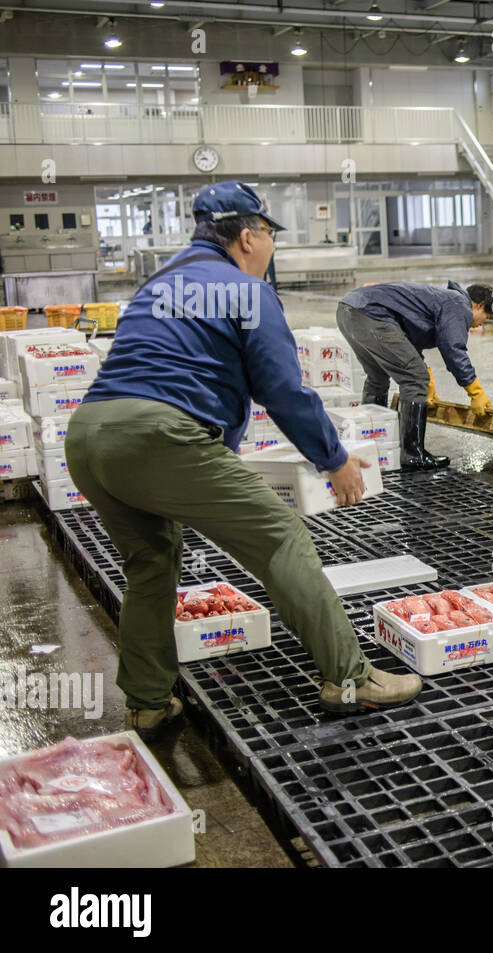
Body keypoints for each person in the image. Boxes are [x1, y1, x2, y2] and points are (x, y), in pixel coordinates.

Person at [65, 181, 422, 737]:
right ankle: (349, 679)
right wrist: (334, 459)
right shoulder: (246, 292)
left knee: (151, 563)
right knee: (281, 538)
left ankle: (148, 702)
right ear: (249, 236)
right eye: (271, 236)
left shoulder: (157, 285)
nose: (272, 249)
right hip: (159, 437)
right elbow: (283, 391)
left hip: (88, 436)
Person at [336, 280, 493, 471]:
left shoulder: (442, 299)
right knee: (414, 378)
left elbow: (406, 341)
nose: (480, 325)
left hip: (349, 310)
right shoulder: (459, 305)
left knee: (378, 376)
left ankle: (373, 442)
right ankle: (413, 454)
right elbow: (453, 350)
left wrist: (427, 383)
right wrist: (475, 392)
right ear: (477, 305)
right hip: (372, 315)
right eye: (485, 317)